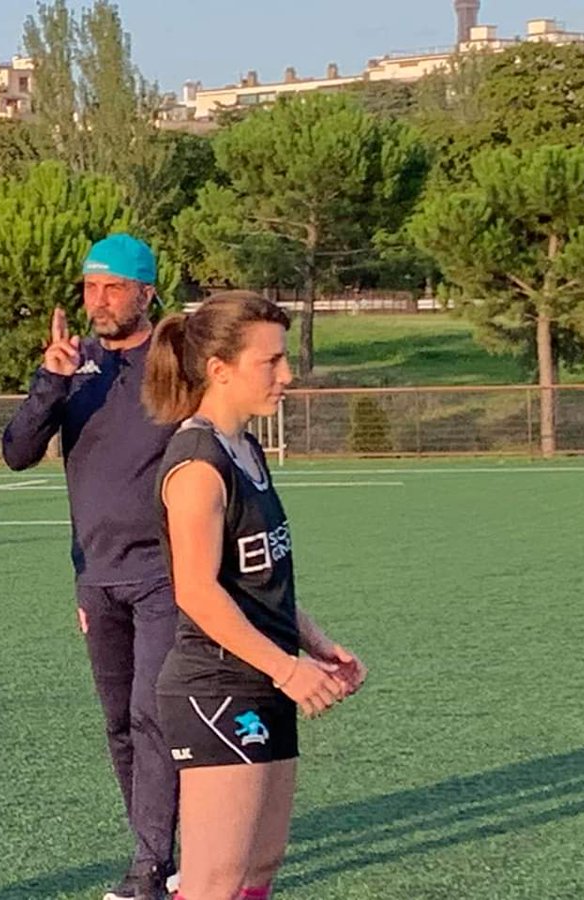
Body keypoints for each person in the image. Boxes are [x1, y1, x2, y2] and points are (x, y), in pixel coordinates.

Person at [141, 291, 367, 900]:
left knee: (257, 872)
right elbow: (197, 592)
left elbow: (255, 584)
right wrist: (286, 667)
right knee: (214, 882)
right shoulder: (197, 465)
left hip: (265, 680)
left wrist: (314, 643)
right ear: (219, 368)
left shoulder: (246, 450)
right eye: (270, 362)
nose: (286, 374)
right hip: (216, 688)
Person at [3, 233, 179, 900]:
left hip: (168, 575)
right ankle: (157, 851)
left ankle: (150, 867)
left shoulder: (176, 362)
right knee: (118, 723)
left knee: (152, 717)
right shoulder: (74, 368)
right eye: (89, 287)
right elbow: (18, 451)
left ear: (146, 291)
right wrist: (50, 378)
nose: (98, 301)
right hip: (98, 578)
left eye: (113, 287)